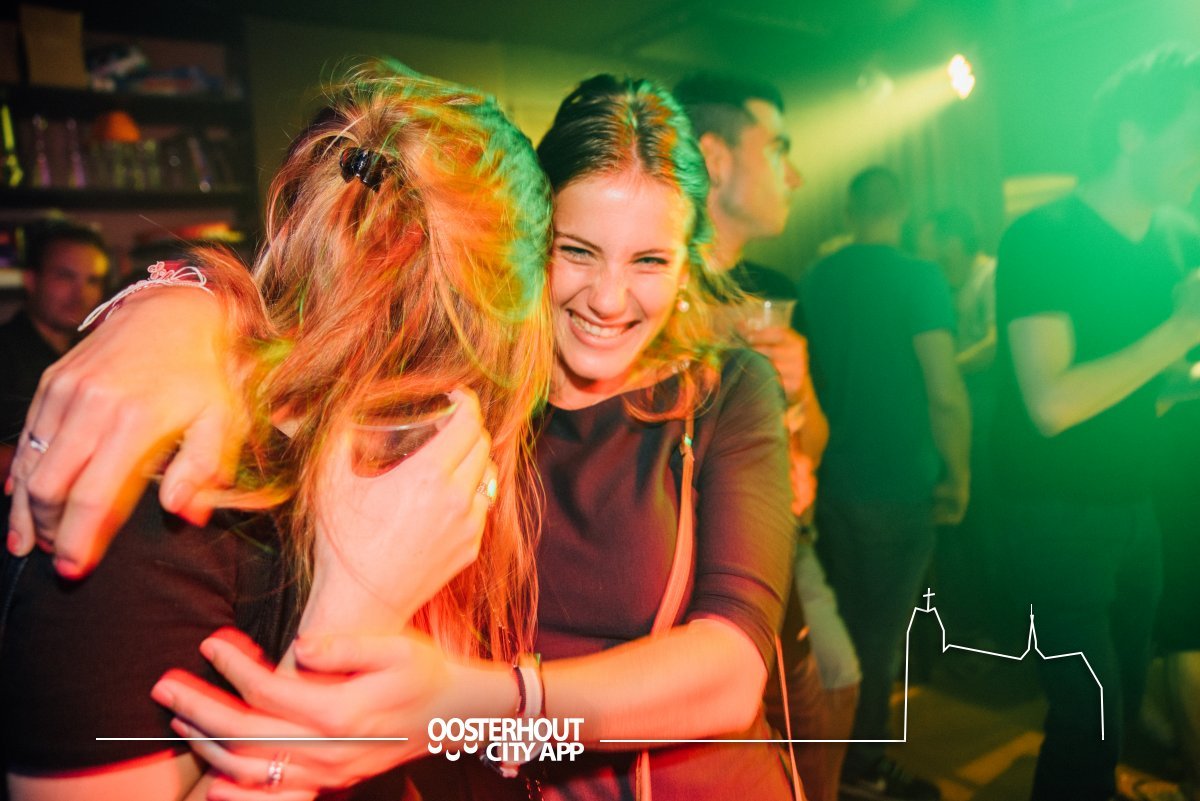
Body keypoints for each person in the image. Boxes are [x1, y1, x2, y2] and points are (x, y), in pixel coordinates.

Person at [6, 74, 799, 801]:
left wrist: (464, 708)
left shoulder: (720, 390)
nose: (609, 298)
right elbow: (346, 238)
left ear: (689, 263)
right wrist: (180, 304)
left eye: (650, 259)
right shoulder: (456, 410)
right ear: (524, 259)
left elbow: (731, 669)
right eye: (578, 252)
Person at [1, 61, 552, 799]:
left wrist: (182, 292)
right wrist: (349, 622)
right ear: (512, 330)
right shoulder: (168, 503)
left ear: (291, 224)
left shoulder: (460, 488)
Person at [991, 46, 1200, 801]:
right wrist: (1180, 333)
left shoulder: (1179, 237)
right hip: (1053, 513)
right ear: (1132, 133)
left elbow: (1139, 385)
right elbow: (1051, 402)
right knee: (1090, 716)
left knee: (1123, 703)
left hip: (1141, 506)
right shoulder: (1044, 235)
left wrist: (1180, 378)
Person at [673, 72, 859, 801]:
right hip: (701, 561)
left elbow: (817, 446)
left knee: (838, 684)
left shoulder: (776, 287)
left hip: (788, 545)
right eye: (778, 147)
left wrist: (800, 388)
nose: (796, 174)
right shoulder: (651, 285)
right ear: (715, 160)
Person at [797, 166, 969, 801]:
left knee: (841, 626)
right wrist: (959, 474)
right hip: (897, 484)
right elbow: (944, 391)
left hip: (830, 480)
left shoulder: (818, 277)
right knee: (879, 635)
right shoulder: (920, 278)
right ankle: (859, 768)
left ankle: (833, 758)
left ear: (849, 211)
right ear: (904, 210)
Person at [0, 220, 109, 484]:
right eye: (65, 276)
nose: (81, 294)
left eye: (92, 280)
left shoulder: (98, 354)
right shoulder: (5, 351)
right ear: (31, 280)